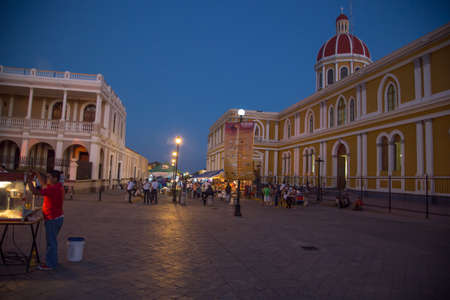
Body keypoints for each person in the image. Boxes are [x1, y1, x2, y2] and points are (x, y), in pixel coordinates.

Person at [28, 170, 64, 271]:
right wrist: (38, 174)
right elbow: (44, 185)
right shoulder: (58, 186)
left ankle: (50, 264)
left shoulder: (53, 189)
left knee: (51, 242)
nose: (47, 179)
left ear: (55, 179)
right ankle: (52, 261)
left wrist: (29, 182)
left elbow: (35, 191)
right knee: (52, 241)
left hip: (52, 218)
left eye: (49, 177)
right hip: (57, 217)